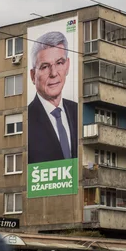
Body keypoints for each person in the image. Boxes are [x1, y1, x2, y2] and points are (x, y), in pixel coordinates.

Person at [27, 31, 78, 164]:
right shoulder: (26, 119)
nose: (54, 73)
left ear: (67, 66)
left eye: (59, 63)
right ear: (33, 76)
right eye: (45, 67)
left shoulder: (77, 111)